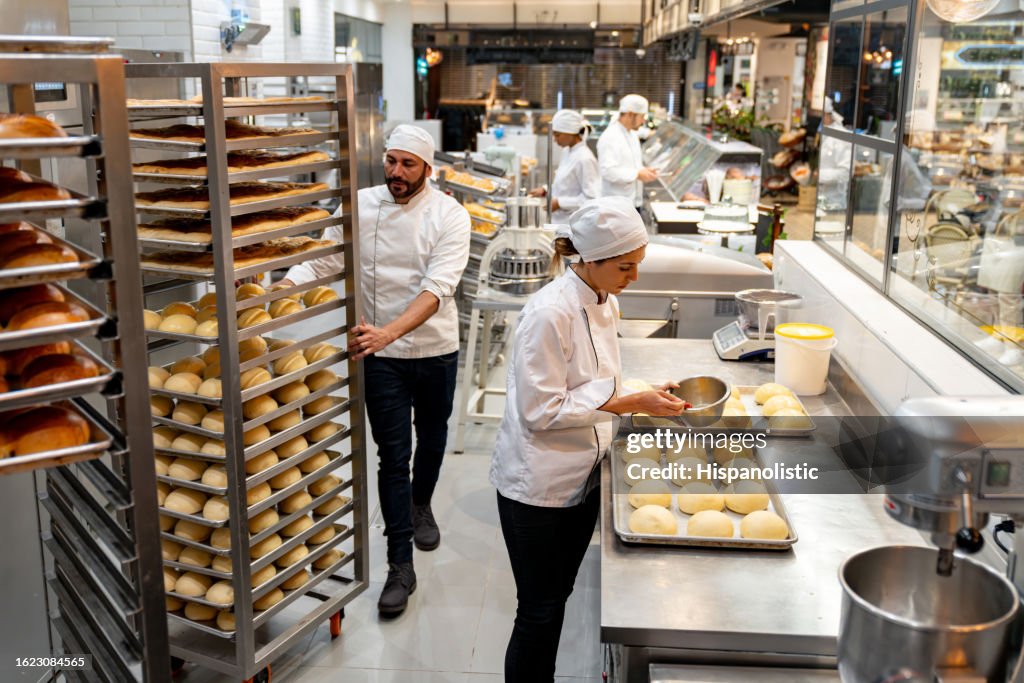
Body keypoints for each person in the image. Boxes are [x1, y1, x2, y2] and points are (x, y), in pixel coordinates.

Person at [490, 197, 686, 681]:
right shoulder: (548, 314)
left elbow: (599, 384)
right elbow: (540, 411)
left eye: (637, 265)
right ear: (590, 260)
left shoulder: (606, 302)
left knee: (556, 598)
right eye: (625, 267)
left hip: (585, 475)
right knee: (538, 610)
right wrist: (629, 404)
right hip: (538, 487)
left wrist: (641, 392)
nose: (633, 277)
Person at [278, 125, 471, 616]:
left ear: (428, 169)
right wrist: (277, 294)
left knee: (432, 437)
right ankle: (399, 567)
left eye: (408, 165)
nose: (396, 173)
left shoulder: (450, 215)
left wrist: (391, 331)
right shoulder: (360, 205)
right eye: (391, 162)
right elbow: (321, 264)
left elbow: (437, 288)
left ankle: (421, 502)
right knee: (391, 456)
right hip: (379, 355)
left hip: (433, 349)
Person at [528, 109, 600, 224]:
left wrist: (560, 203)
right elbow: (566, 183)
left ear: (571, 132)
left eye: (557, 135)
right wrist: (546, 190)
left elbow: (591, 199)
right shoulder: (567, 151)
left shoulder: (585, 159)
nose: (555, 139)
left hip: (574, 225)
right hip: (559, 222)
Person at [597, 94, 660, 209]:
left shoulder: (631, 133)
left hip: (631, 203)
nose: (642, 122)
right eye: (642, 117)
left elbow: (632, 164)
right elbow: (607, 171)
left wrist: (643, 171)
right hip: (615, 207)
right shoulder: (610, 137)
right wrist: (637, 174)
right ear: (630, 114)